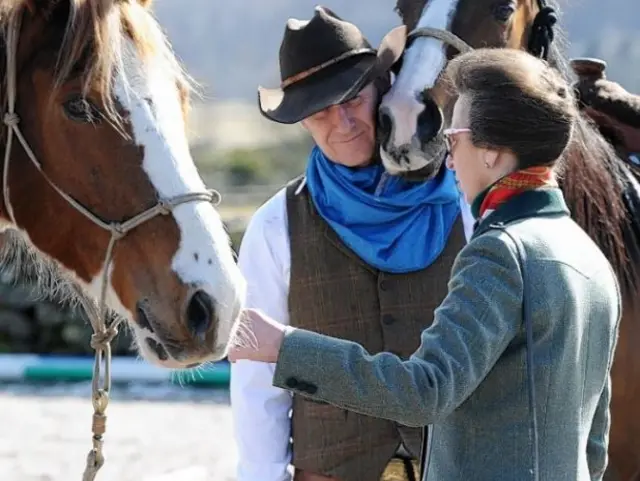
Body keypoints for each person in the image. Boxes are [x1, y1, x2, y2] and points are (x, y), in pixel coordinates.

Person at [229, 48, 622, 481]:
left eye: (455, 138)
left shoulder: (499, 253)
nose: (448, 157)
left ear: (491, 151)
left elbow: (425, 392)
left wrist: (284, 348)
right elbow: (594, 439)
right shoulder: (589, 255)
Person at [230, 6, 475, 481]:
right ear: (301, 121)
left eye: (352, 99)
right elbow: (258, 380)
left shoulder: (466, 206)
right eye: (319, 110)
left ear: (382, 89)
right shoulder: (275, 225)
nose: (341, 122)